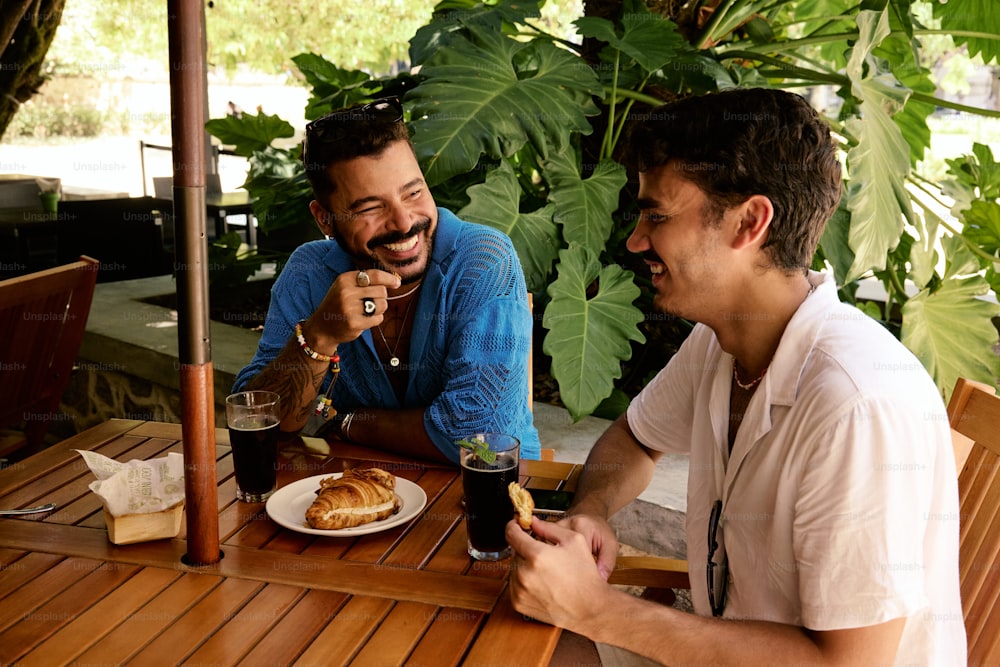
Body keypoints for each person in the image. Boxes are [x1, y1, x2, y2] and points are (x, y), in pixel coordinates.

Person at [506, 88, 966, 665]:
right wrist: (591, 511)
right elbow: (635, 438)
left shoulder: (856, 403)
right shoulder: (724, 340)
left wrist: (598, 610)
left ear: (750, 221)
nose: (635, 241)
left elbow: (848, 663)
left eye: (657, 215)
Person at [233, 97, 540, 464]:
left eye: (413, 192)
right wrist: (319, 335)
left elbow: (480, 436)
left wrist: (349, 423)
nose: (404, 222)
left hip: (486, 494)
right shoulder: (307, 273)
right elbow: (258, 418)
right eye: (369, 208)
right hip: (355, 489)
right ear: (325, 219)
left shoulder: (482, 260)